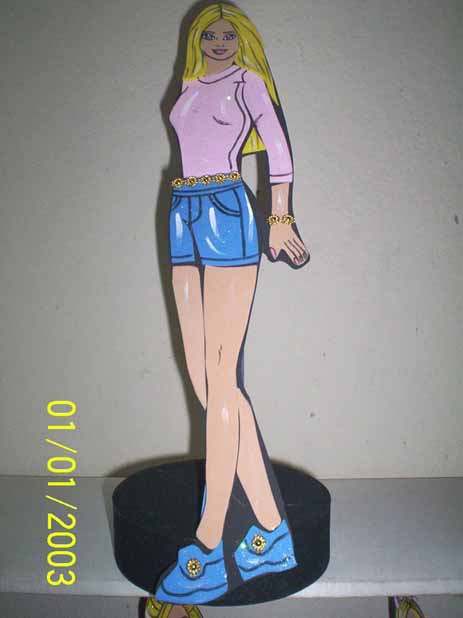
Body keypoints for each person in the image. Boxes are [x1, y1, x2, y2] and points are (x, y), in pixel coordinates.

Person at [154, 3, 309, 609]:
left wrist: (280, 218)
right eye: (209, 34)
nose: (219, 41)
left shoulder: (248, 83)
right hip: (182, 211)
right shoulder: (191, 86)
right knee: (206, 382)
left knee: (221, 378)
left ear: (241, 40)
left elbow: (278, 151)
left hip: (225, 212)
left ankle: (209, 546)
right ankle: (271, 531)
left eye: (228, 34)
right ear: (199, 39)